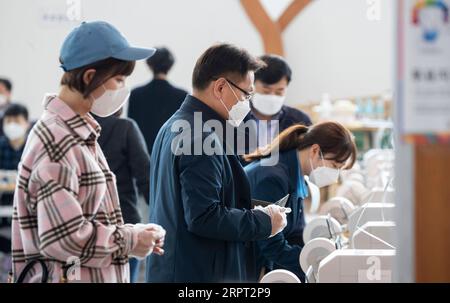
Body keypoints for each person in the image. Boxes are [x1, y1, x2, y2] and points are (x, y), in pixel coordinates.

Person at [11, 21, 165, 283]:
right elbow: (63, 238)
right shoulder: (58, 141)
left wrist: (131, 231)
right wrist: (129, 240)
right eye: (119, 79)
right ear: (89, 77)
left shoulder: (77, 132)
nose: (123, 88)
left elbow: (84, 219)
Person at [145, 43, 288, 283]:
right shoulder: (200, 136)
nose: (248, 103)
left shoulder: (176, 124)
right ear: (221, 87)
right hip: (196, 273)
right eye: (246, 94)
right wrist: (264, 221)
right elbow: (204, 216)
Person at [244, 121, 357, 281]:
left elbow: (296, 232)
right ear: (315, 150)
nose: (335, 175)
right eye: (334, 165)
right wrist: (320, 263)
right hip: (245, 263)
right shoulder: (272, 178)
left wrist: (329, 251)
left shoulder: (296, 176)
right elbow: (272, 246)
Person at [93, 108, 150, 283]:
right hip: (124, 222)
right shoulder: (125, 128)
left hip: (89, 228)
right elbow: (146, 177)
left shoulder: (78, 129)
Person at [244, 55, 312, 152]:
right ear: (251, 85)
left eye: (279, 91)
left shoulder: (299, 121)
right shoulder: (236, 119)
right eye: (266, 91)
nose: (272, 96)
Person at [128, 47, 188, 154]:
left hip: (143, 154)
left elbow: (131, 131)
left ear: (150, 65)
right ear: (170, 66)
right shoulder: (182, 95)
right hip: (170, 154)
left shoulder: (136, 94)